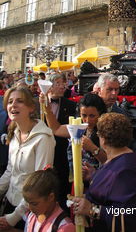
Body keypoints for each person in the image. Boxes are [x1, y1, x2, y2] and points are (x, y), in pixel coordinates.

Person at [72, 113, 136, 232]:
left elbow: (124, 214)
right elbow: (110, 184)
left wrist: (91, 209)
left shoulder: (126, 169)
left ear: (103, 139)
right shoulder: (119, 157)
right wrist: (94, 175)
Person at [0, 86, 55, 229]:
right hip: (10, 205)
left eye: (19, 101)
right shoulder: (15, 133)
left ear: (31, 107)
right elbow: (10, 172)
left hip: (28, 213)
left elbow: (39, 184)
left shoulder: (43, 138)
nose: (13, 105)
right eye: (10, 101)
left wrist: (13, 218)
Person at [42, 93, 107, 169]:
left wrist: (93, 148)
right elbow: (56, 129)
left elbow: (111, 161)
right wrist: (46, 108)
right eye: (84, 115)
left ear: (100, 114)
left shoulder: (106, 130)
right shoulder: (78, 127)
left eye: (92, 116)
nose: (87, 120)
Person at [46, 73, 77, 210]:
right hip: (42, 150)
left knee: (61, 185)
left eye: (63, 83)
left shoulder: (71, 105)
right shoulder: (38, 103)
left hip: (61, 152)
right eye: (58, 83)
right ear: (49, 86)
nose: (62, 86)